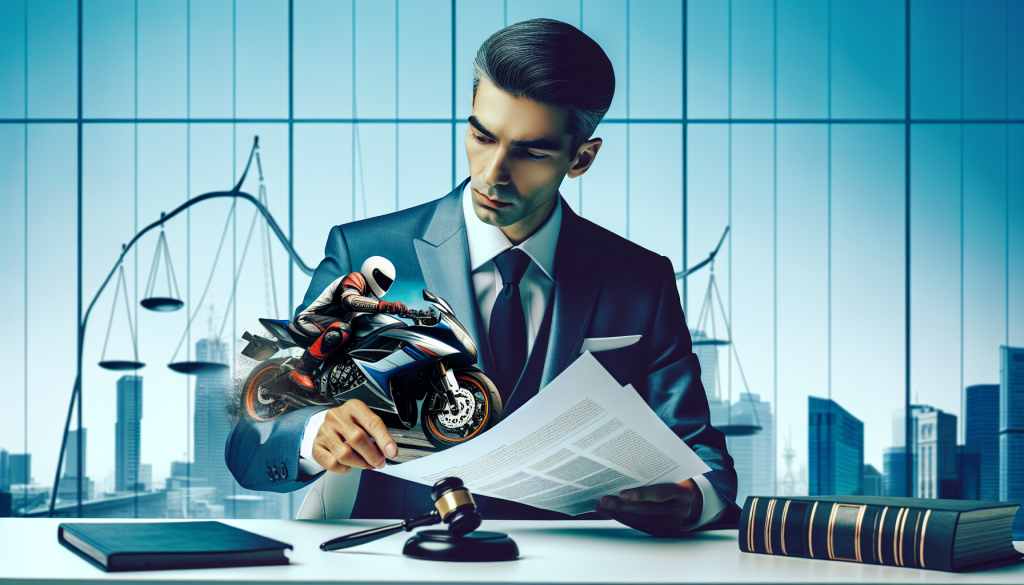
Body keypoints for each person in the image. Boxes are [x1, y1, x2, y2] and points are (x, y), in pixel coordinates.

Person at [227, 18, 740, 536]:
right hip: (401, 558)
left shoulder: (640, 280)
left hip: (579, 566)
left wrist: (693, 500)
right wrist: (313, 433)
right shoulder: (366, 253)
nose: (493, 172)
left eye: (532, 151)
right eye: (481, 135)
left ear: (581, 158)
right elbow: (251, 438)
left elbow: (702, 457)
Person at [287, 256, 407, 390]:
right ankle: (302, 370)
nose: (383, 284)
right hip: (310, 319)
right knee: (342, 329)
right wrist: (387, 306)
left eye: (387, 282)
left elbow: (376, 308)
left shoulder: (369, 295)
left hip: (330, 325)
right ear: (372, 271)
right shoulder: (356, 278)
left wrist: (405, 311)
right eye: (382, 279)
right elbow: (350, 301)